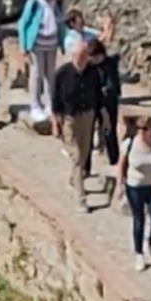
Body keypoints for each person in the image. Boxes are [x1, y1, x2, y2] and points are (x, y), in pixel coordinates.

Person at [51, 39, 106, 209]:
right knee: (75, 155)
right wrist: (55, 122)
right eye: (81, 56)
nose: (84, 60)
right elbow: (55, 100)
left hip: (87, 115)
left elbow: (98, 95)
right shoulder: (62, 74)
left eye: (86, 56)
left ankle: (73, 179)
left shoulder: (93, 72)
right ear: (74, 56)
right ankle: (81, 198)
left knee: (84, 153)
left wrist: (104, 115)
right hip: (70, 117)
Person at [65, 10, 122, 167]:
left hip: (107, 101)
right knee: (87, 135)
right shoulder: (86, 64)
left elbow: (111, 86)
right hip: (91, 102)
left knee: (109, 131)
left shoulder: (109, 65)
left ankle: (114, 161)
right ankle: (85, 166)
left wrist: (109, 26)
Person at [116, 115, 151, 270]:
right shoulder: (130, 144)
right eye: (139, 129)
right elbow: (121, 165)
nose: (142, 132)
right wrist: (119, 184)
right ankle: (139, 253)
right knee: (139, 220)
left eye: (145, 128)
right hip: (135, 186)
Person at [17, 0, 68, 125]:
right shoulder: (33, 3)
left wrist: (62, 42)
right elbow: (23, 24)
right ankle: (35, 105)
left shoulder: (57, 4)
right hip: (37, 44)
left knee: (50, 74)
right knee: (37, 73)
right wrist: (23, 45)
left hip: (51, 44)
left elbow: (61, 23)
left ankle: (49, 104)